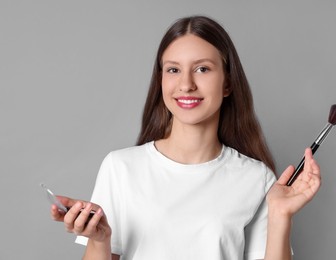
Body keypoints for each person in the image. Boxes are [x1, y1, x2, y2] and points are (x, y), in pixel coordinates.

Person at [51, 16, 321, 260]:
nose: (186, 84)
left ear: (227, 83)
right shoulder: (120, 167)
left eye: (202, 69)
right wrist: (99, 240)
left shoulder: (256, 178)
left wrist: (280, 215)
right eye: (173, 70)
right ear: (161, 81)